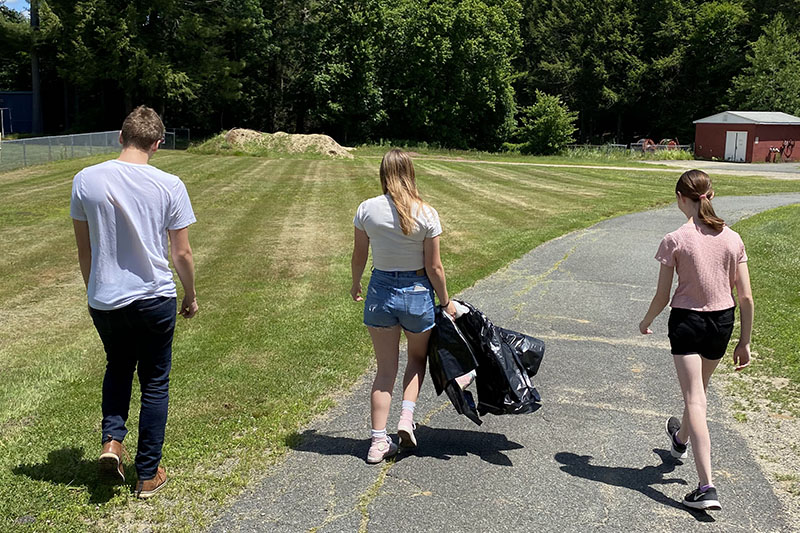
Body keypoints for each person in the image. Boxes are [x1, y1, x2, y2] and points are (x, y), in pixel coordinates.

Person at [70, 105, 198, 498]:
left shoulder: (85, 180)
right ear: (157, 144)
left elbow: (85, 249)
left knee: (118, 366)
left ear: (120, 138)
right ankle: (147, 475)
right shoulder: (169, 184)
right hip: (154, 297)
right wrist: (190, 295)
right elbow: (182, 254)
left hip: (105, 298)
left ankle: (112, 442)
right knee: (155, 381)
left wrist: (94, 290)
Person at [639, 169, 753, 511]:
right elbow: (745, 297)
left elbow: (662, 296)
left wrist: (646, 321)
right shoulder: (733, 239)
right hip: (722, 322)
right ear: (711, 195)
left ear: (680, 199)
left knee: (695, 400)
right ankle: (679, 441)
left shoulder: (674, 239)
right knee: (698, 393)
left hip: (687, 322)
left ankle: (706, 486)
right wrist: (744, 341)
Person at [351, 149, 457, 464]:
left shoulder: (367, 209)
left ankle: (377, 443)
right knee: (416, 358)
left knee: (384, 371)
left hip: (380, 291)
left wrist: (356, 283)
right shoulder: (426, 213)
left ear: (383, 174)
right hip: (416, 293)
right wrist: (446, 301)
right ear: (411, 173)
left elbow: (359, 255)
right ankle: (406, 419)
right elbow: (434, 267)